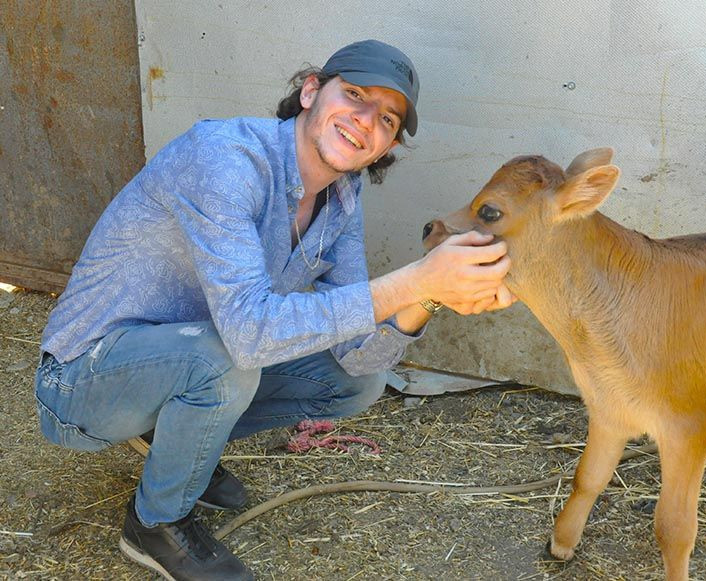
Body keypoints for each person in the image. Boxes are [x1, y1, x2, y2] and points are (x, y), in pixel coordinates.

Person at [34, 39, 513, 580]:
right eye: (353, 94)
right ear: (310, 91)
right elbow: (249, 336)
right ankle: (154, 525)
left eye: (386, 118)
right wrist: (412, 279)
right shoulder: (224, 158)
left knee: (358, 384)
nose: (364, 120)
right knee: (225, 358)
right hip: (80, 384)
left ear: (386, 148)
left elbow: (358, 357)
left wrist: (431, 296)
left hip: (187, 359)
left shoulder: (341, 201)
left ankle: (179, 446)